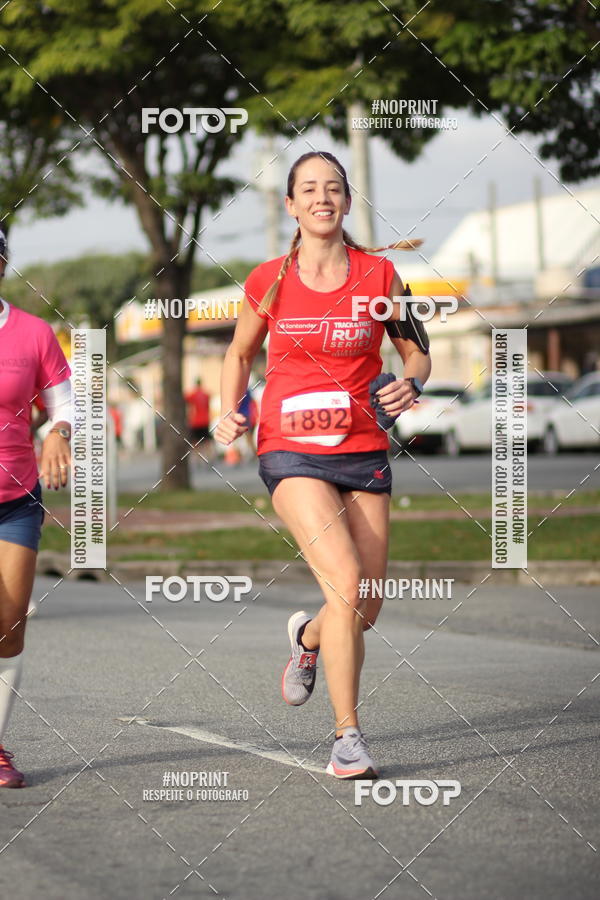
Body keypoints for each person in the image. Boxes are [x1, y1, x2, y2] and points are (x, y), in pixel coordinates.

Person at [216, 151, 431, 779]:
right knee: (343, 580)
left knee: (365, 604)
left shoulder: (380, 275)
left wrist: (410, 383)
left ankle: (308, 640)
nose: (321, 197)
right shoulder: (267, 280)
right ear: (291, 205)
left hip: (363, 447)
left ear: (345, 201)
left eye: (332, 188)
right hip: (288, 447)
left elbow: (416, 353)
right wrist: (231, 411)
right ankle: (348, 739)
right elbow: (238, 353)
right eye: (308, 189)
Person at [0, 228, 72, 788]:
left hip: (16, 498)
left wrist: (58, 431)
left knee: (9, 624)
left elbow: (63, 398)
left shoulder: (32, 332)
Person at [185, 377, 214, 461]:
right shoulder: (206, 394)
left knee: (195, 442)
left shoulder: (193, 395)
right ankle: (209, 457)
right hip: (205, 420)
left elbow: (186, 399)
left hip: (196, 421)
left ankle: (198, 459)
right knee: (207, 441)